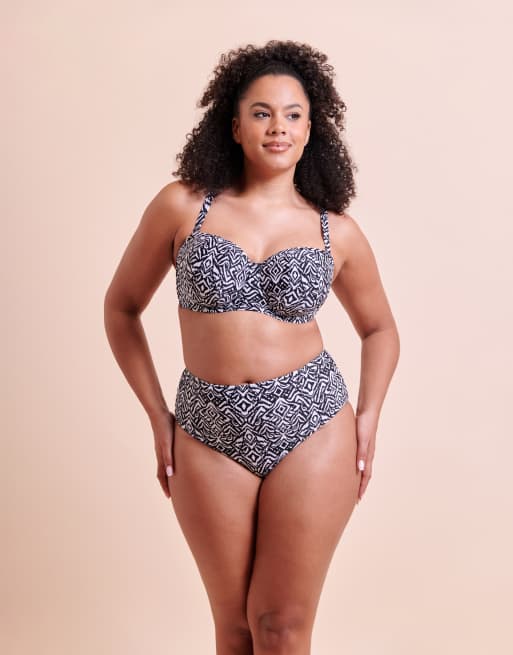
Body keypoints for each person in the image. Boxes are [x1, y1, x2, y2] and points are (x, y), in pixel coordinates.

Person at [104, 39, 400, 655]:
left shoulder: (335, 230)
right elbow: (122, 308)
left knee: (280, 626)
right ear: (235, 126)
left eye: (293, 115)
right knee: (236, 629)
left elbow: (380, 329)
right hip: (207, 425)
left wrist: (368, 415)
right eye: (261, 113)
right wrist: (158, 415)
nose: (278, 127)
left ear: (311, 129)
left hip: (312, 420)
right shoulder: (182, 206)